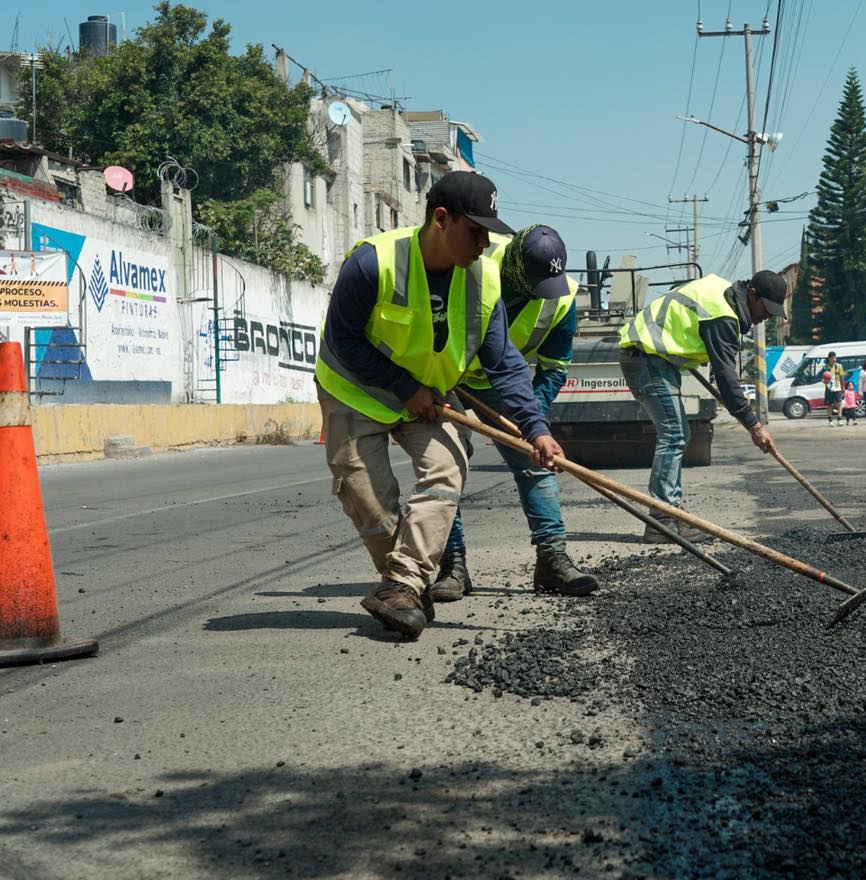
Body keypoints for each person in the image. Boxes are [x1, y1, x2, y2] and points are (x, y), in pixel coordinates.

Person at [315, 172, 563, 639]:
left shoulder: (483, 280)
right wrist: (402, 387)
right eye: (477, 230)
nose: (486, 243)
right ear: (441, 219)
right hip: (354, 389)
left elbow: (505, 365)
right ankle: (407, 587)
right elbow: (342, 338)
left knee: (449, 465)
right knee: (368, 500)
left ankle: (403, 585)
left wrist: (536, 428)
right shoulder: (373, 263)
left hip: (427, 397)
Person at [437, 224, 598, 599]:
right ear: (513, 270)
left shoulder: (562, 297)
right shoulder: (470, 262)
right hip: (443, 375)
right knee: (446, 464)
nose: (542, 294)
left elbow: (554, 368)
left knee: (536, 462)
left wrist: (534, 425)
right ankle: (453, 564)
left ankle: (552, 559)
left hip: (504, 386)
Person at [618, 270, 784, 540]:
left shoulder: (721, 296)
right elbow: (727, 378)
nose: (766, 317)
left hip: (655, 358)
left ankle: (669, 514)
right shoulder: (722, 314)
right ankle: (663, 520)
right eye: (767, 309)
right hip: (646, 358)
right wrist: (754, 425)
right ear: (752, 294)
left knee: (676, 433)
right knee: (674, 434)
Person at [823, 351, 846, 427]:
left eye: (835, 358)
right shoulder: (825, 367)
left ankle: (839, 420)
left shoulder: (839, 366)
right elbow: (823, 378)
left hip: (837, 387)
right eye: (832, 358)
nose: (834, 359)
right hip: (829, 388)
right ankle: (830, 421)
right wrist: (824, 381)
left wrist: (843, 387)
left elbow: (842, 377)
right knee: (830, 405)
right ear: (829, 358)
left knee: (839, 403)